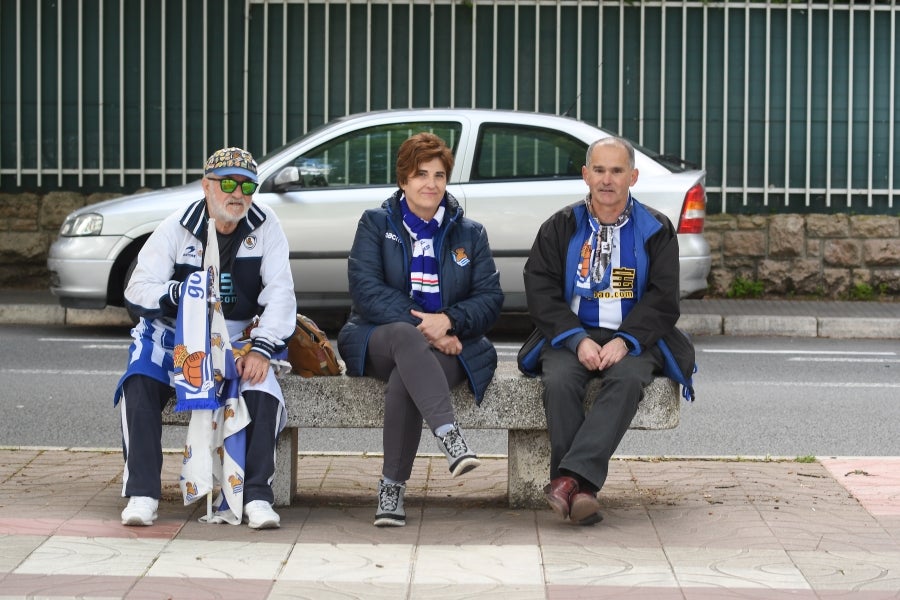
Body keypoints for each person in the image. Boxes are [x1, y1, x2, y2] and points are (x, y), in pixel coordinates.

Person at [114, 147, 296, 529]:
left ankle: (257, 497)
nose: (237, 193)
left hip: (237, 338)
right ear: (206, 186)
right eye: (227, 182)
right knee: (140, 383)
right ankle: (142, 494)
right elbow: (137, 288)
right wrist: (177, 294)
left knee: (263, 391)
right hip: (174, 335)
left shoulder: (266, 226)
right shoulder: (177, 226)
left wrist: (262, 349)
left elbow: (281, 294)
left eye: (247, 185)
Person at [519, 136, 695, 526]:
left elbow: (664, 297)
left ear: (632, 176)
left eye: (617, 171)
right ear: (585, 175)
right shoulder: (561, 226)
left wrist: (625, 340)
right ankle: (582, 491)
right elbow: (541, 289)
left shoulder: (656, 229)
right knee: (561, 380)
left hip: (634, 337)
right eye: (599, 170)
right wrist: (576, 339)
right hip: (571, 334)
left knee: (629, 379)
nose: (607, 179)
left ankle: (569, 481)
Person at [337, 132, 504, 528]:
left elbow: (490, 298)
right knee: (406, 338)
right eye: (420, 174)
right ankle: (450, 436)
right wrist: (426, 327)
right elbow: (366, 290)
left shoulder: (470, 233)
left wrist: (449, 322)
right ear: (403, 180)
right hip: (378, 337)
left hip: (454, 346)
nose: (430, 184)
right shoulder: (376, 224)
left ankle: (391, 489)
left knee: (404, 382)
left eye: (439, 175)